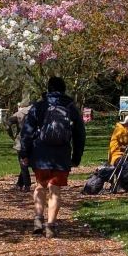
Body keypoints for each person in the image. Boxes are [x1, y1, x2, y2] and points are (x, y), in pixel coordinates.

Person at [21, 75, 86, 237]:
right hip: (61, 154)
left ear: (48, 89)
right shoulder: (70, 107)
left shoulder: (39, 105)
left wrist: (24, 152)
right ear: (64, 89)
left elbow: (27, 131)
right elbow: (80, 134)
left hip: (41, 153)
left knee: (40, 186)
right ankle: (50, 225)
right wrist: (76, 156)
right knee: (55, 190)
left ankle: (38, 217)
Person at [9, 97, 34, 191]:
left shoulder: (20, 113)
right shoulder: (38, 110)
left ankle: (27, 185)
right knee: (26, 163)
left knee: (23, 163)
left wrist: (12, 135)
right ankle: (19, 183)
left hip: (22, 139)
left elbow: (8, 124)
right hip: (35, 140)